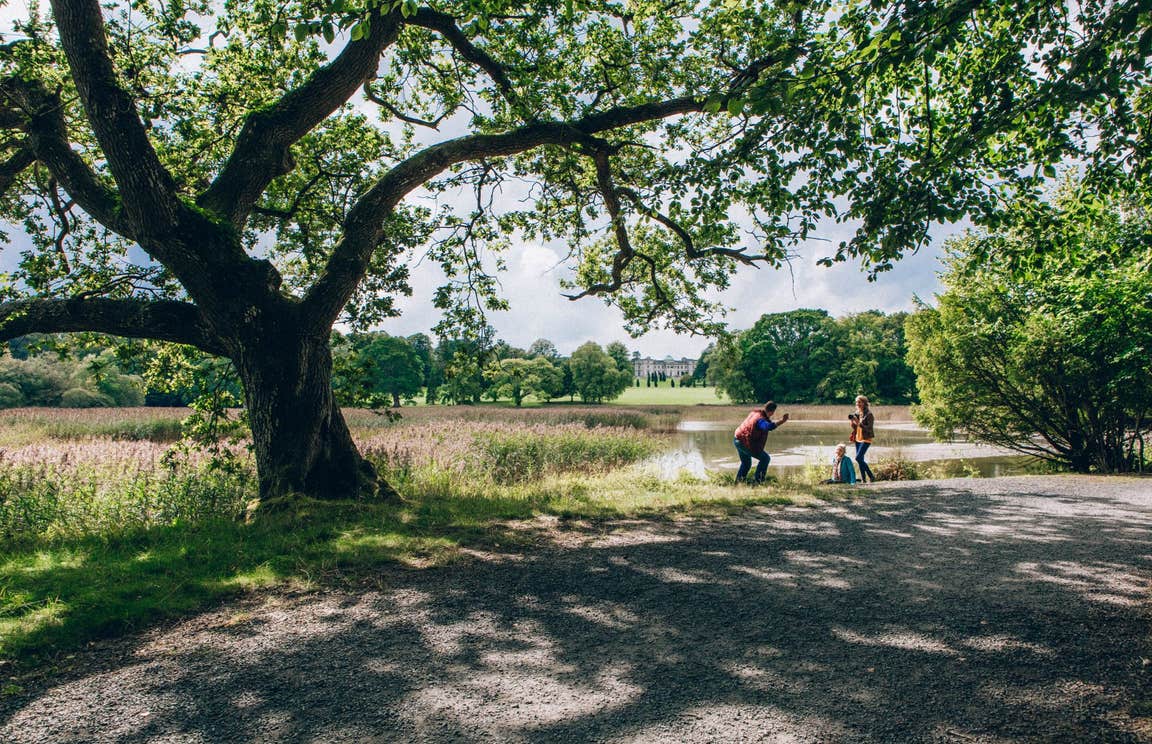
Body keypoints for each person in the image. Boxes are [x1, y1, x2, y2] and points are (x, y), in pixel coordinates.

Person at [733, 401, 789, 484]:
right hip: (744, 442)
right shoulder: (761, 420)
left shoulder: (755, 413)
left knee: (746, 463)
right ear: (772, 412)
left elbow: (763, 423)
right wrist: (782, 420)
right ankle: (758, 482)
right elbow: (768, 426)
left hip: (737, 438)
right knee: (765, 458)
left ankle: (738, 483)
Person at [851, 394, 876, 483]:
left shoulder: (869, 414)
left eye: (860, 402)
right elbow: (855, 427)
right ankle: (863, 479)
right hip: (858, 439)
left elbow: (869, 428)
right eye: (857, 402)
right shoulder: (858, 414)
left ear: (865, 403)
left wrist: (859, 423)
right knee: (861, 459)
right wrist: (853, 422)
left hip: (866, 439)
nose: (858, 404)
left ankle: (871, 476)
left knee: (858, 458)